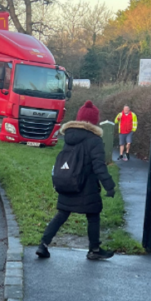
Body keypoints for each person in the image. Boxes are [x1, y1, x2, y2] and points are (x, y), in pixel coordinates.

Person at [36, 100, 116, 260]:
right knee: (93, 215)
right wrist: (109, 185)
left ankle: (43, 244)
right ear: (94, 121)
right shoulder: (95, 141)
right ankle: (94, 249)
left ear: (79, 119)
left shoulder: (69, 137)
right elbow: (99, 166)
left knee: (62, 214)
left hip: (68, 182)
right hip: (87, 187)